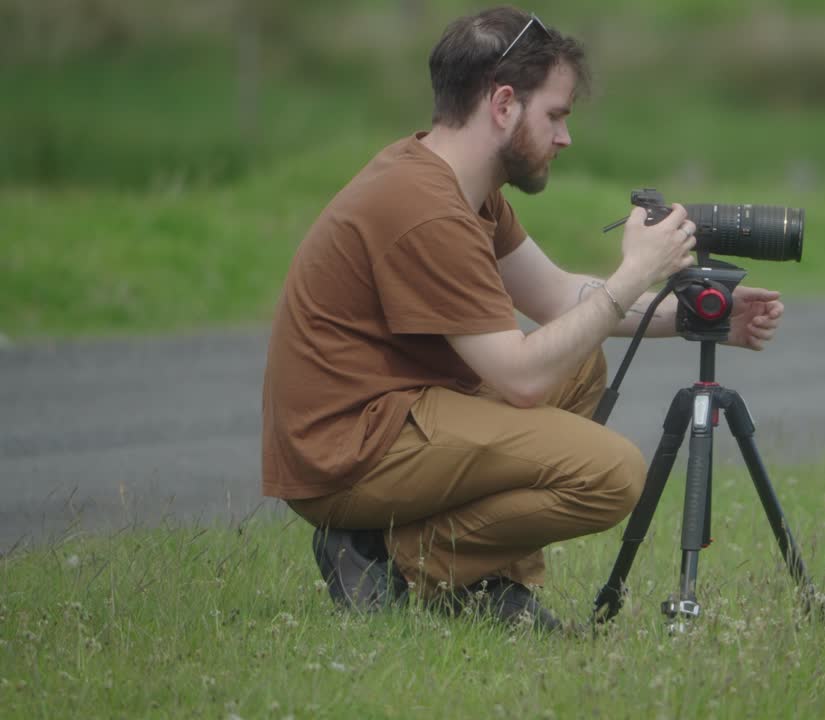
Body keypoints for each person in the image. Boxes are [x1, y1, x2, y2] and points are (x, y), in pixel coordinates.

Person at [260, 6, 785, 630]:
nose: (565, 137)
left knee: (579, 362)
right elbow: (521, 379)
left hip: (393, 414)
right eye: (556, 115)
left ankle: (479, 580)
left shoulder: (459, 184)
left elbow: (561, 296)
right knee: (613, 475)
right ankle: (395, 556)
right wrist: (633, 273)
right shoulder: (427, 209)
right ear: (504, 104)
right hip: (346, 454)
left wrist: (696, 317)